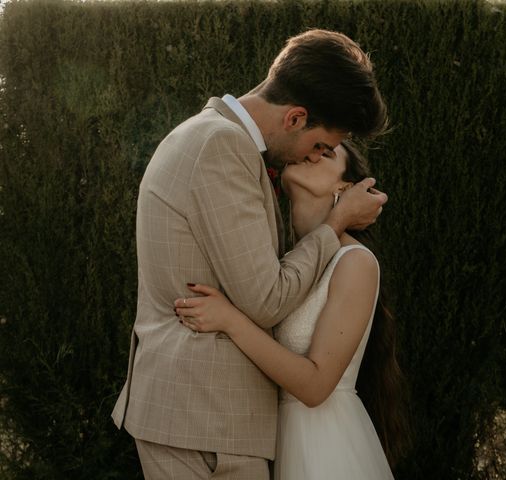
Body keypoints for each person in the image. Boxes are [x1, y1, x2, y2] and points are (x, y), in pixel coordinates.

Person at [111, 29, 388, 479]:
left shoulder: (206, 136)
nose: (311, 158)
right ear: (296, 117)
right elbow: (266, 300)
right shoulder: (222, 145)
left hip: (208, 420)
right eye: (319, 146)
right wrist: (335, 225)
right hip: (204, 418)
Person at [175, 141, 411, 480]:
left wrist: (230, 320)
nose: (310, 153)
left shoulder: (355, 262)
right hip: (276, 442)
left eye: (325, 154)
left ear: (344, 189)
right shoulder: (281, 266)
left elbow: (316, 386)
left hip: (326, 450)